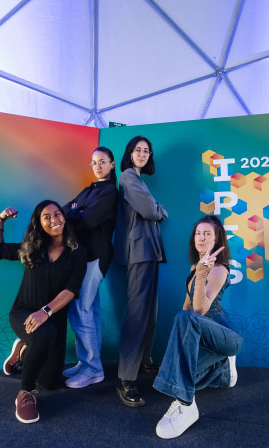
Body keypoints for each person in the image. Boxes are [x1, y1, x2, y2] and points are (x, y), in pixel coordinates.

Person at [0, 200, 86, 424]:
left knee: (50, 382)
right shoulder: (32, 247)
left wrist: (46, 312)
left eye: (57, 214)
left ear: (64, 217)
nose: (54, 220)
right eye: (46, 217)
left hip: (53, 320)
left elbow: (71, 290)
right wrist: (1, 220)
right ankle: (25, 393)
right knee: (44, 334)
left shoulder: (77, 252)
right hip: (23, 313)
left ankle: (23, 350)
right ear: (39, 223)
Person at [152, 215, 243, 439]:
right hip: (201, 336)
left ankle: (186, 404)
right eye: (198, 234)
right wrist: (179, 349)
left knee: (185, 323)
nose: (201, 238)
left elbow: (199, 310)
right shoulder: (195, 267)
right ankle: (224, 372)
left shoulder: (219, 269)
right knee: (181, 370)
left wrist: (202, 274)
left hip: (224, 334)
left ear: (217, 239)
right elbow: (187, 306)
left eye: (207, 234)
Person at [113, 136, 168, 407]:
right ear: (130, 153)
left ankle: (144, 361)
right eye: (138, 150)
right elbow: (149, 210)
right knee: (137, 315)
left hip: (149, 252)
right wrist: (160, 210)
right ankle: (125, 378)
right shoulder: (128, 176)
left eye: (147, 151)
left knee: (150, 313)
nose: (143, 154)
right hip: (139, 253)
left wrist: (156, 209)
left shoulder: (138, 179)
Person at [61, 147, 118, 388]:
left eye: (102, 162)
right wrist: (77, 210)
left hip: (96, 256)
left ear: (112, 164)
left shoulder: (110, 192)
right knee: (89, 312)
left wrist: (78, 211)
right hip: (84, 256)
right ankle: (88, 362)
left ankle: (93, 369)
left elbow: (87, 220)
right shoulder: (90, 189)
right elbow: (64, 211)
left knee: (81, 311)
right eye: (94, 162)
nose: (98, 166)